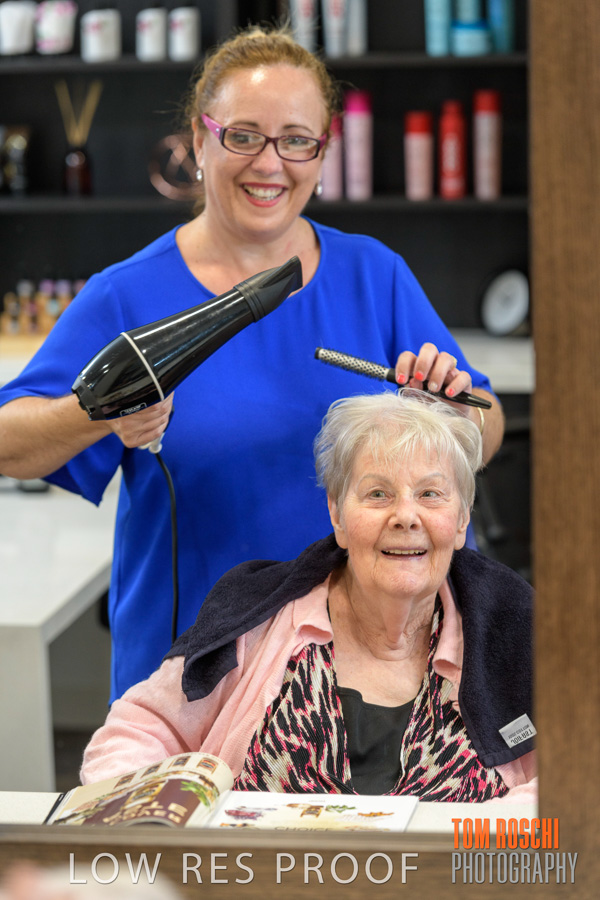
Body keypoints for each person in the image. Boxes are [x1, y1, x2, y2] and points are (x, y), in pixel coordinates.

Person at [0, 26, 504, 703]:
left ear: (322, 152)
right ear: (199, 138)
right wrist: (99, 413)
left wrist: (452, 418)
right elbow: (10, 441)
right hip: (201, 680)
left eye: (297, 140)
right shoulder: (127, 295)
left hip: (371, 674)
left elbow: (485, 423)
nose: (271, 164)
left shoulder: (373, 275)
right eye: (243, 136)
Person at [81, 392, 535, 802]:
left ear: (461, 520)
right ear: (337, 515)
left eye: (430, 494)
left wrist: (472, 847)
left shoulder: (512, 633)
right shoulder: (257, 621)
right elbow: (135, 734)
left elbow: (565, 778)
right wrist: (169, 825)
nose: (405, 516)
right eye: (378, 494)